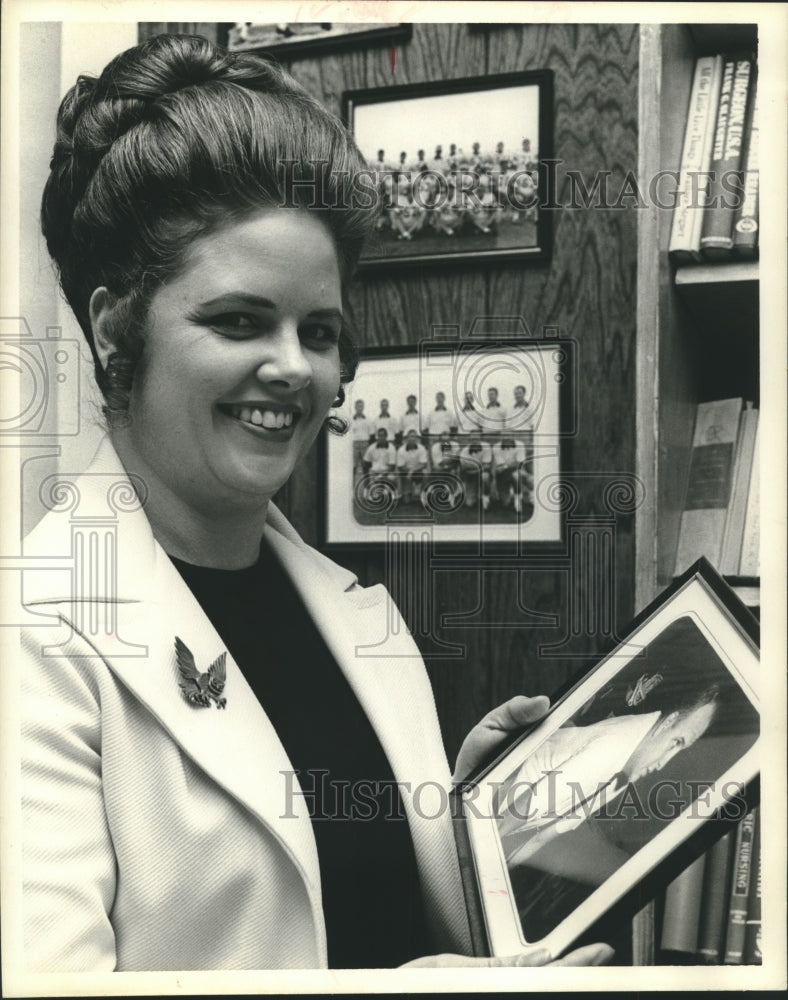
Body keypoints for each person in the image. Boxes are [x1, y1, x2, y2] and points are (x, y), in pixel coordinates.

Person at [21, 33, 612, 973]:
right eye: (239, 321)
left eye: (322, 331)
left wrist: (466, 827)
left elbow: (355, 918)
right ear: (112, 327)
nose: (295, 368)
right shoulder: (35, 634)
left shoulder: (352, 611)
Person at [496, 686, 721, 867]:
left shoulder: (630, 763)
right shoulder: (612, 747)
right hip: (495, 801)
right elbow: (519, 809)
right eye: (676, 742)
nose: (663, 763)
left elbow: (542, 836)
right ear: (669, 723)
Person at [396, 429, 429, 503]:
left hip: (418, 471)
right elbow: (400, 467)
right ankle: (409, 491)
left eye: (414, 437)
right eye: (411, 436)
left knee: (426, 474)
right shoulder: (401, 450)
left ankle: (423, 495)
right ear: (406, 438)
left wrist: (412, 471)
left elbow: (423, 464)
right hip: (406, 473)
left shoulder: (422, 448)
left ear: (417, 439)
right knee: (406, 501)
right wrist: (409, 472)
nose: (412, 438)